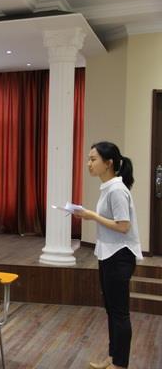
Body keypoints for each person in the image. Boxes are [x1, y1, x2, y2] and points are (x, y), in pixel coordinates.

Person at [73, 142, 143, 369]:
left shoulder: (117, 190)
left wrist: (92, 216)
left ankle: (120, 364)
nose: (89, 163)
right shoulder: (108, 188)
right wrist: (90, 215)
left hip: (120, 256)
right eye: (89, 158)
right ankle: (113, 358)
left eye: (93, 159)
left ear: (108, 163)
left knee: (119, 313)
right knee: (111, 310)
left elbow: (123, 226)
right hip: (109, 254)